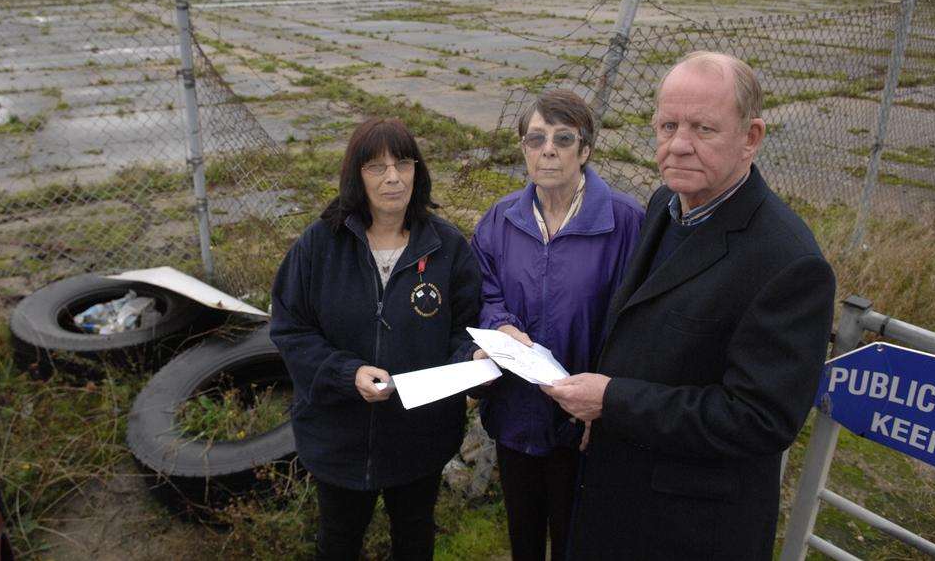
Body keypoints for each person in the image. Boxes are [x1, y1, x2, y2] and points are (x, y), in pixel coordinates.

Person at [542, 52, 836, 560]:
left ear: (752, 137)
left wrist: (612, 400)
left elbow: (758, 419)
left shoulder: (788, 262)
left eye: (703, 128)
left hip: (692, 526)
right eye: (668, 124)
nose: (678, 145)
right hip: (617, 494)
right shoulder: (666, 204)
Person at [269, 118, 482, 561]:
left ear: (417, 171)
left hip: (420, 437)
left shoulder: (447, 248)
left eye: (403, 163)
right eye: (375, 167)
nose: (392, 177)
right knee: (339, 541)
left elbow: (464, 328)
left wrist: (472, 357)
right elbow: (291, 329)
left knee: (414, 536)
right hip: (337, 437)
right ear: (355, 176)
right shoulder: (319, 246)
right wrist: (348, 374)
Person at [470, 89, 644, 561]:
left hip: (585, 421)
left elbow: (638, 324)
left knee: (579, 538)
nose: (548, 149)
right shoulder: (499, 220)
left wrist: (607, 405)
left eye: (563, 138)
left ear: (585, 150)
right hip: (516, 415)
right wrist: (501, 324)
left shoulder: (626, 223)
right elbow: (482, 291)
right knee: (523, 535)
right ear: (524, 149)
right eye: (535, 138)